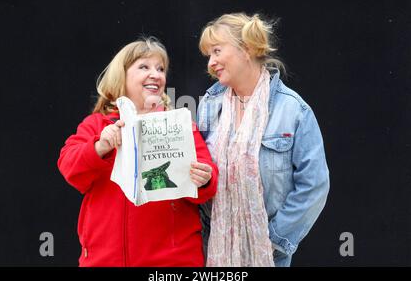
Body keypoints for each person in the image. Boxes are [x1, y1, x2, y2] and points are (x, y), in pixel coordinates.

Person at [57, 37, 218, 266]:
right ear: (121, 76)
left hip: (172, 264)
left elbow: (207, 181)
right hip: (103, 261)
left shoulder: (179, 126)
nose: (156, 74)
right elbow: (69, 167)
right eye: (144, 67)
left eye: (160, 69)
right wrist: (101, 146)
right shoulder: (96, 125)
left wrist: (204, 178)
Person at [196, 13, 330, 267]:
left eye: (216, 51)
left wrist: (274, 240)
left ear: (246, 48)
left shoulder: (293, 110)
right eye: (208, 56)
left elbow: (314, 185)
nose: (211, 62)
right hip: (213, 251)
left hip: (269, 256)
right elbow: (199, 174)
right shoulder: (209, 105)